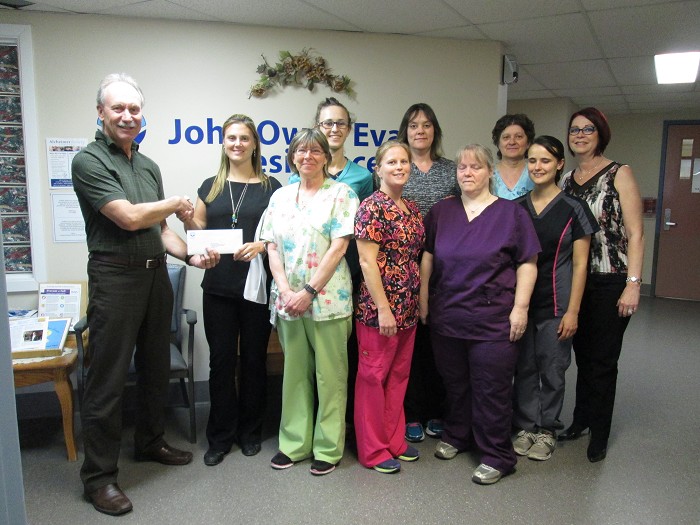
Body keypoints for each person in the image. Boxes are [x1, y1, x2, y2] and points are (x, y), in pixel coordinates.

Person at [72, 73, 220, 516]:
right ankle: (99, 478)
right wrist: (176, 202)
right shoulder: (88, 161)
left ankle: (150, 442)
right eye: (117, 108)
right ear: (100, 113)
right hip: (115, 280)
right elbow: (131, 217)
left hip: (155, 277)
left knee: (156, 367)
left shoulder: (149, 166)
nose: (127, 116)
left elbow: (161, 233)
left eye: (134, 109)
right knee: (107, 381)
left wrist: (193, 257)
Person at [419, 144, 540, 485]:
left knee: (491, 388)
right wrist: (424, 300)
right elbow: (428, 258)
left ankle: (497, 455)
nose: (467, 173)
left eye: (475, 167)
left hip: (493, 319)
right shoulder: (443, 212)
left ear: (490, 172)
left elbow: (528, 264)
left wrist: (520, 308)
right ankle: (458, 435)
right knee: (455, 384)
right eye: (461, 168)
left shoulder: (511, 214)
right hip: (448, 315)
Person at [180, 114, 281, 466]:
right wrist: (186, 218)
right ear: (223, 143)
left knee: (254, 360)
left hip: (255, 287)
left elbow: (281, 233)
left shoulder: (272, 187)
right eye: (231, 138)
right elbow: (198, 231)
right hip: (219, 286)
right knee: (221, 362)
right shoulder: (211, 185)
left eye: (244, 138)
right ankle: (220, 437)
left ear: (255, 144)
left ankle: (250, 432)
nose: (237, 143)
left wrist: (260, 243)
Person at [261, 128, 359, 476]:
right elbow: (271, 246)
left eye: (315, 151)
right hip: (287, 302)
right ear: (292, 156)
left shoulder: (342, 194)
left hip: (328, 299)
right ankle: (294, 444)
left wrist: (309, 292)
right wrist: (286, 290)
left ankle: (328, 448)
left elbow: (339, 247)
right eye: (301, 151)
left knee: (330, 376)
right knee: (295, 375)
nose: (308, 157)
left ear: (326, 156)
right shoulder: (280, 197)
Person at [558, 107, 644, 462]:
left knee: (603, 361)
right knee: (581, 355)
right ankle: (580, 420)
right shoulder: (566, 179)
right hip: (577, 280)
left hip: (611, 279)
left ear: (600, 133)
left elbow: (637, 232)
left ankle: (600, 433)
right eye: (574, 130)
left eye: (587, 129)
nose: (580, 135)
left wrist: (633, 283)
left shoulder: (619, 173)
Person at [288, 97, 373, 436]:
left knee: (336, 367)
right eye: (327, 123)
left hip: (341, 279)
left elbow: (360, 235)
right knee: (302, 371)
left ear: (349, 130)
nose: (334, 129)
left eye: (340, 123)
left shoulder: (360, 180)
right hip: (298, 286)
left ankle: (338, 432)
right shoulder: (290, 187)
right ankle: (300, 436)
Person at [512, 136, 599, 461]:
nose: (537, 167)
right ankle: (524, 427)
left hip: (557, 304)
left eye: (545, 161)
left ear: (560, 164)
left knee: (552, 369)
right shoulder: (516, 208)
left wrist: (573, 311)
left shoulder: (573, 208)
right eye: (532, 161)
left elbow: (580, 265)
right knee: (524, 368)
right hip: (521, 304)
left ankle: (547, 429)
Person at [353, 141, 425, 474]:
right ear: (378, 168)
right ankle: (373, 449)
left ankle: (394, 440)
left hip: (408, 309)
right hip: (378, 311)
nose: (399, 166)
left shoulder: (411, 208)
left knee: (398, 377)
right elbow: (367, 263)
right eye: (391, 161)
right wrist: (384, 309)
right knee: (373, 379)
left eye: (404, 161)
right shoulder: (371, 207)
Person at [397, 102, 458, 443]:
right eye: (413, 125)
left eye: (426, 124)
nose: (420, 130)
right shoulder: (396, 166)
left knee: (440, 342)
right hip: (404, 266)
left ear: (435, 130)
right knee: (412, 343)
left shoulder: (451, 171)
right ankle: (412, 412)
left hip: (444, 265)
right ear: (404, 130)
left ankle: (438, 410)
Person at [491, 113, 536, 199]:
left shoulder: (536, 172)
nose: (512, 142)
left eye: (518, 137)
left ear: (528, 142)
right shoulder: (487, 174)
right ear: (498, 143)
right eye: (506, 137)